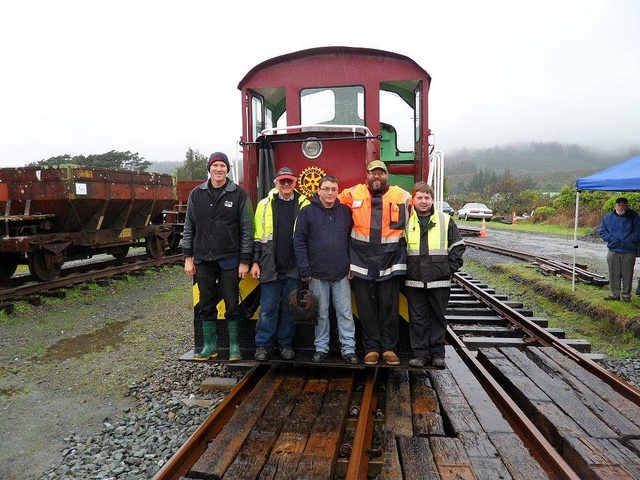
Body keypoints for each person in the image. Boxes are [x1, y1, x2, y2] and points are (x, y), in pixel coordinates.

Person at [339, 160, 411, 365]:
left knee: (389, 306)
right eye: (373, 173)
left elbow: (423, 210)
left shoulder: (403, 196)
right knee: (365, 306)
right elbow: (328, 204)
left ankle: (389, 348)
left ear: (387, 176)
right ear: (367, 176)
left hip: (390, 261)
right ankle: (371, 348)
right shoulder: (352, 194)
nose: (376, 177)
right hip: (361, 261)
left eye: (381, 173)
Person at [183, 152, 253, 361]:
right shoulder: (196, 194)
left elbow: (247, 229)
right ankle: (209, 347)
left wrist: (244, 261)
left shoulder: (239, 194)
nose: (219, 169)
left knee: (232, 304)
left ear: (227, 170)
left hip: (230, 259)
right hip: (203, 259)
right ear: (209, 169)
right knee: (206, 304)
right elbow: (189, 227)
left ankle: (234, 347)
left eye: (222, 166)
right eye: (215, 166)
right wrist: (188, 257)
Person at [293, 175, 358, 364]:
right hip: (317, 273)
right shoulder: (306, 212)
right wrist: (305, 269)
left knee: (345, 313)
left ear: (338, 191)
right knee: (321, 313)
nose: (330, 193)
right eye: (326, 189)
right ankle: (321, 348)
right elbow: (299, 242)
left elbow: (353, 240)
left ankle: (349, 349)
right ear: (318, 190)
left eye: (334, 189)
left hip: (341, 273)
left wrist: (352, 265)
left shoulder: (346, 212)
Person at [251, 167, 310, 361]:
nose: (286, 185)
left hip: (294, 267)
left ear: (295, 183)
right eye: (282, 181)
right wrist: (255, 262)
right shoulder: (264, 205)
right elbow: (258, 237)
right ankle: (263, 346)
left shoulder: (305, 205)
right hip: (270, 266)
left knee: (288, 308)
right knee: (267, 308)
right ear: (276, 183)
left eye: (289, 181)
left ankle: (285, 344)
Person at [404, 182, 465, 368]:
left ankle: (438, 354)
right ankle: (420, 354)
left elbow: (458, 247)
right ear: (413, 200)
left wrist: (448, 269)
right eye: (420, 198)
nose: (423, 201)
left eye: (427, 198)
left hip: (439, 282)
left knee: (438, 317)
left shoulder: (445, 220)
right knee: (418, 319)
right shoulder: (407, 221)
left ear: (432, 200)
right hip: (414, 282)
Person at [599, 197, 639, 302]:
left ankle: (626, 296)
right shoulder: (608, 217)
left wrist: (629, 240)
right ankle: (614, 294)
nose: (621, 207)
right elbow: (602, 231)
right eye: (619, 205)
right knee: (613, 273)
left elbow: (638, 231)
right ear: (615, 206)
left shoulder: (634, 216)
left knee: (627, 274)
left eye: (623, 205)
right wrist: (611, 239)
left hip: (629, 250)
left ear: (627, 206)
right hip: (613, 250)